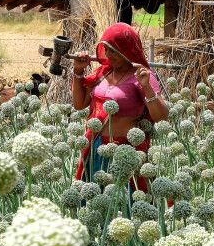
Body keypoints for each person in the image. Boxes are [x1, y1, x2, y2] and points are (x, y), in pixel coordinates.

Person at [71, 23, 169, 189]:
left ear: (128, 50)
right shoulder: (103, 72)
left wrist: (146, 86)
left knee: (125, 201)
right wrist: (78, 71)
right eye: (106, 49)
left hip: (125, 150)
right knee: (94, 199)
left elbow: (161, 116)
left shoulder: (142, 75)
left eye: (114, 50)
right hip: (96, 147)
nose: (109, 55)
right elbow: (79, 104)